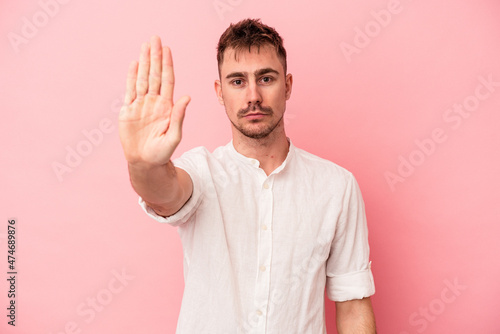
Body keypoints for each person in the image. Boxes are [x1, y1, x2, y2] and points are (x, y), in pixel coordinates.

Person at [119, 18, 376, 334]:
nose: (253, 95)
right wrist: (142, 164)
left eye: (266, 78)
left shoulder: (336, 187)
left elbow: (352, 305)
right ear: (219, 92)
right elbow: (164, 193)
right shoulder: (202, 173)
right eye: (237, 81)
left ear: (288, 85)